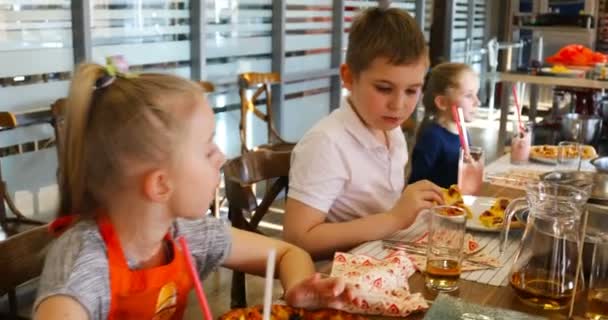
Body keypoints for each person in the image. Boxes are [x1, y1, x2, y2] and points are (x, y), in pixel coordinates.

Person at [34, 63, 351, 320]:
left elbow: (287, 253)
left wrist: (297, 289)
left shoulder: (184, 233)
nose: (221, 157)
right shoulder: (83, 269)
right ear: (160, 184)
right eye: (207, 148)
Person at [283, 7, 443, 260]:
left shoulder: (391, 131)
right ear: (348, 77)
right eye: (383, 88)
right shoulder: (326, 143)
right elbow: (298, 239)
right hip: (335, 278)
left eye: (412, 91)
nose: (398, 104)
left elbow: (381, 208)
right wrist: (394, 218)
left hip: (383, 260)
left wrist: (409, 209)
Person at [409, 63, 480, 188]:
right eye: (469, 95)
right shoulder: (432, 138)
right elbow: (416, 184)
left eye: (476, 94)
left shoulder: (463, 132)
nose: (477, 102)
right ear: (442, 102)